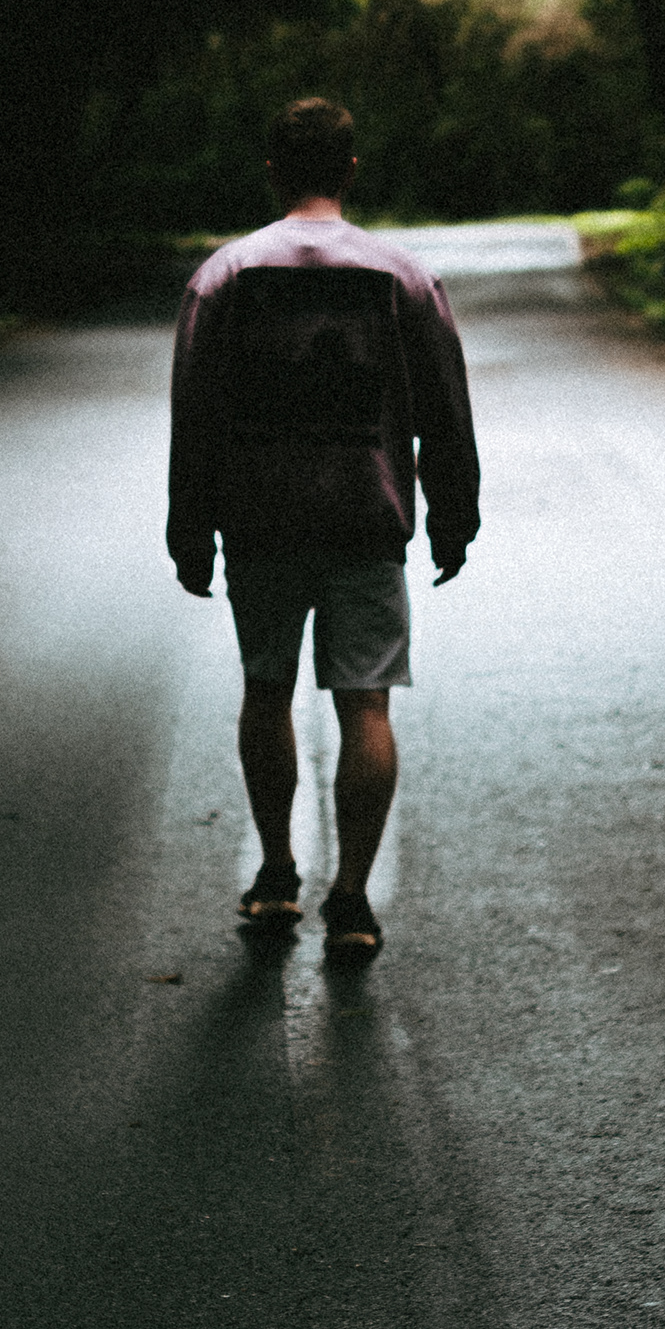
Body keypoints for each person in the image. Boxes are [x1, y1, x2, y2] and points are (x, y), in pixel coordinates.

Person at [167, 94, 480, 955]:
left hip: (260, 522)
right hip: (366, 519)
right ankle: (351, 899)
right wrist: (455, 515)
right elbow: (446, 410)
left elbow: (194, 413)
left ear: (271, 170)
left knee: (267, 690)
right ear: (350, 168)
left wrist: (189, 527)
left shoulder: (225, 276)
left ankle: (276, 877)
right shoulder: (401, 277)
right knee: (366, 703)